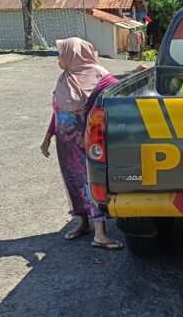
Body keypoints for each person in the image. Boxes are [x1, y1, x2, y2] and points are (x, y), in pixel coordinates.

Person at [39, 37, 123, 250]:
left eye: (61, 54)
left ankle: (100, 234)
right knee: (73, 182)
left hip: (88, 144)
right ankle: (82, 222)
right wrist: (48, 137)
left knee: (90, 183)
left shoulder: (100, 77)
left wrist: (139, 75)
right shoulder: (64, 79)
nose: (58, 59)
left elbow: (121, 91)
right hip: (65, 146)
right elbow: (57, 111)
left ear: (73, 54)